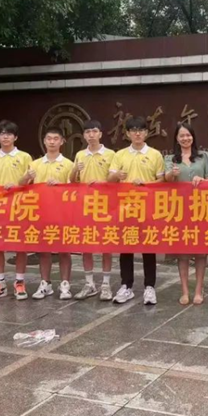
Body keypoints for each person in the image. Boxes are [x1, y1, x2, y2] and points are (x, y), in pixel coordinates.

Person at [108, 116, 166, 305]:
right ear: (127, 134)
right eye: (133, 130)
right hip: (125, 208)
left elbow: (162, 181)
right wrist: (117, 175)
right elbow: (109, 180)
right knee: (126, 247)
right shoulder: (120, 155)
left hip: (148, 208)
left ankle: (150, 287)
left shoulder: (155, 154)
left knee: (148, 247)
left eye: (140, 130)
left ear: (146, 133)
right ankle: (126, 285)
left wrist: (146, 184)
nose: (137, 133)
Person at [0, 120, 33, 301]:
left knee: (20, 246)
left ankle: (19, 282)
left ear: (15, 137)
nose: (6, 137)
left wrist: (18, 184)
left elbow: (31, 183)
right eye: (2, 134)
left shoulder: (25, 157)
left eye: (9, 134)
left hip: (20, 207)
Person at [20, 127, 74, 301]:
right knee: (44, 250)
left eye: (55, 138)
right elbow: (21, 185)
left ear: (62, 141)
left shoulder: (69, 164)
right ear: (44, 141)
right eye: (49, 138)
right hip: (40, 212)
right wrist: (26, 177)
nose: (52, 141)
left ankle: (65, 284)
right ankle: (45, 284)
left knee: (64, 250)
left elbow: (74, 188)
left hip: (62, 213)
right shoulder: (35, 164)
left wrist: (60, 184)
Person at [164, 122, 208, 305]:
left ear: (193, 137)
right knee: (182, 253)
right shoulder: (170, 159)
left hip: (201, 209)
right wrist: (172, 174)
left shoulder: (203, 156)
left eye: (188, 135)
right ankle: (184, 291)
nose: (185, 138)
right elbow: (166, 180)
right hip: (179, 210)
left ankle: (199, 290)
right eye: (182, 136)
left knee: (201, 252)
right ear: (177, 139)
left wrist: (203, 180)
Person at [71, 120, 116, 301]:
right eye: (88, 132)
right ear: (84, 135)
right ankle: (89, 283)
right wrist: (75, 169)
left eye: (94, 131)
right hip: (85, 206)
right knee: (86, 245)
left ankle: (106, 284)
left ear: (100, 134)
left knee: (106, 245)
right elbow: (72, 180)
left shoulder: (111, 154)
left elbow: (115, 179)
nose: (91, 135)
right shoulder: (80, 154)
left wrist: (101, 183)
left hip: (105, 205)